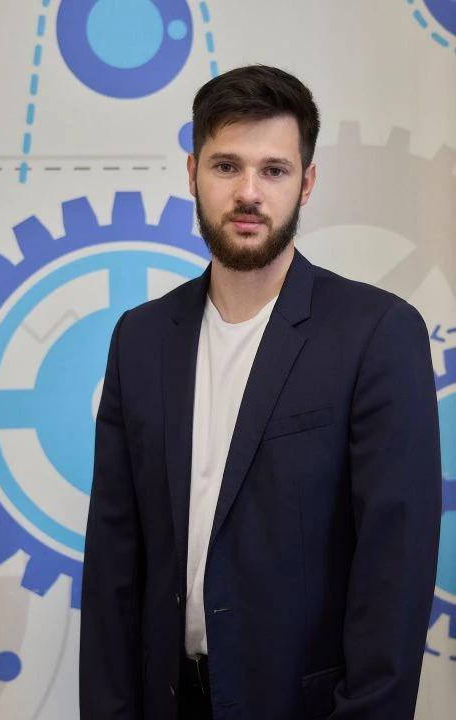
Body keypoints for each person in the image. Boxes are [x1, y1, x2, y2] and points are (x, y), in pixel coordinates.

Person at [79, 65, 441, 720]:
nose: (248, 192)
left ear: (306, 183)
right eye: (227, 167)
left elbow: (395, 571)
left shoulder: (376, 333)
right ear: (192, 173)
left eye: (273, 170)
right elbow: (113, 562)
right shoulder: (139, 338)